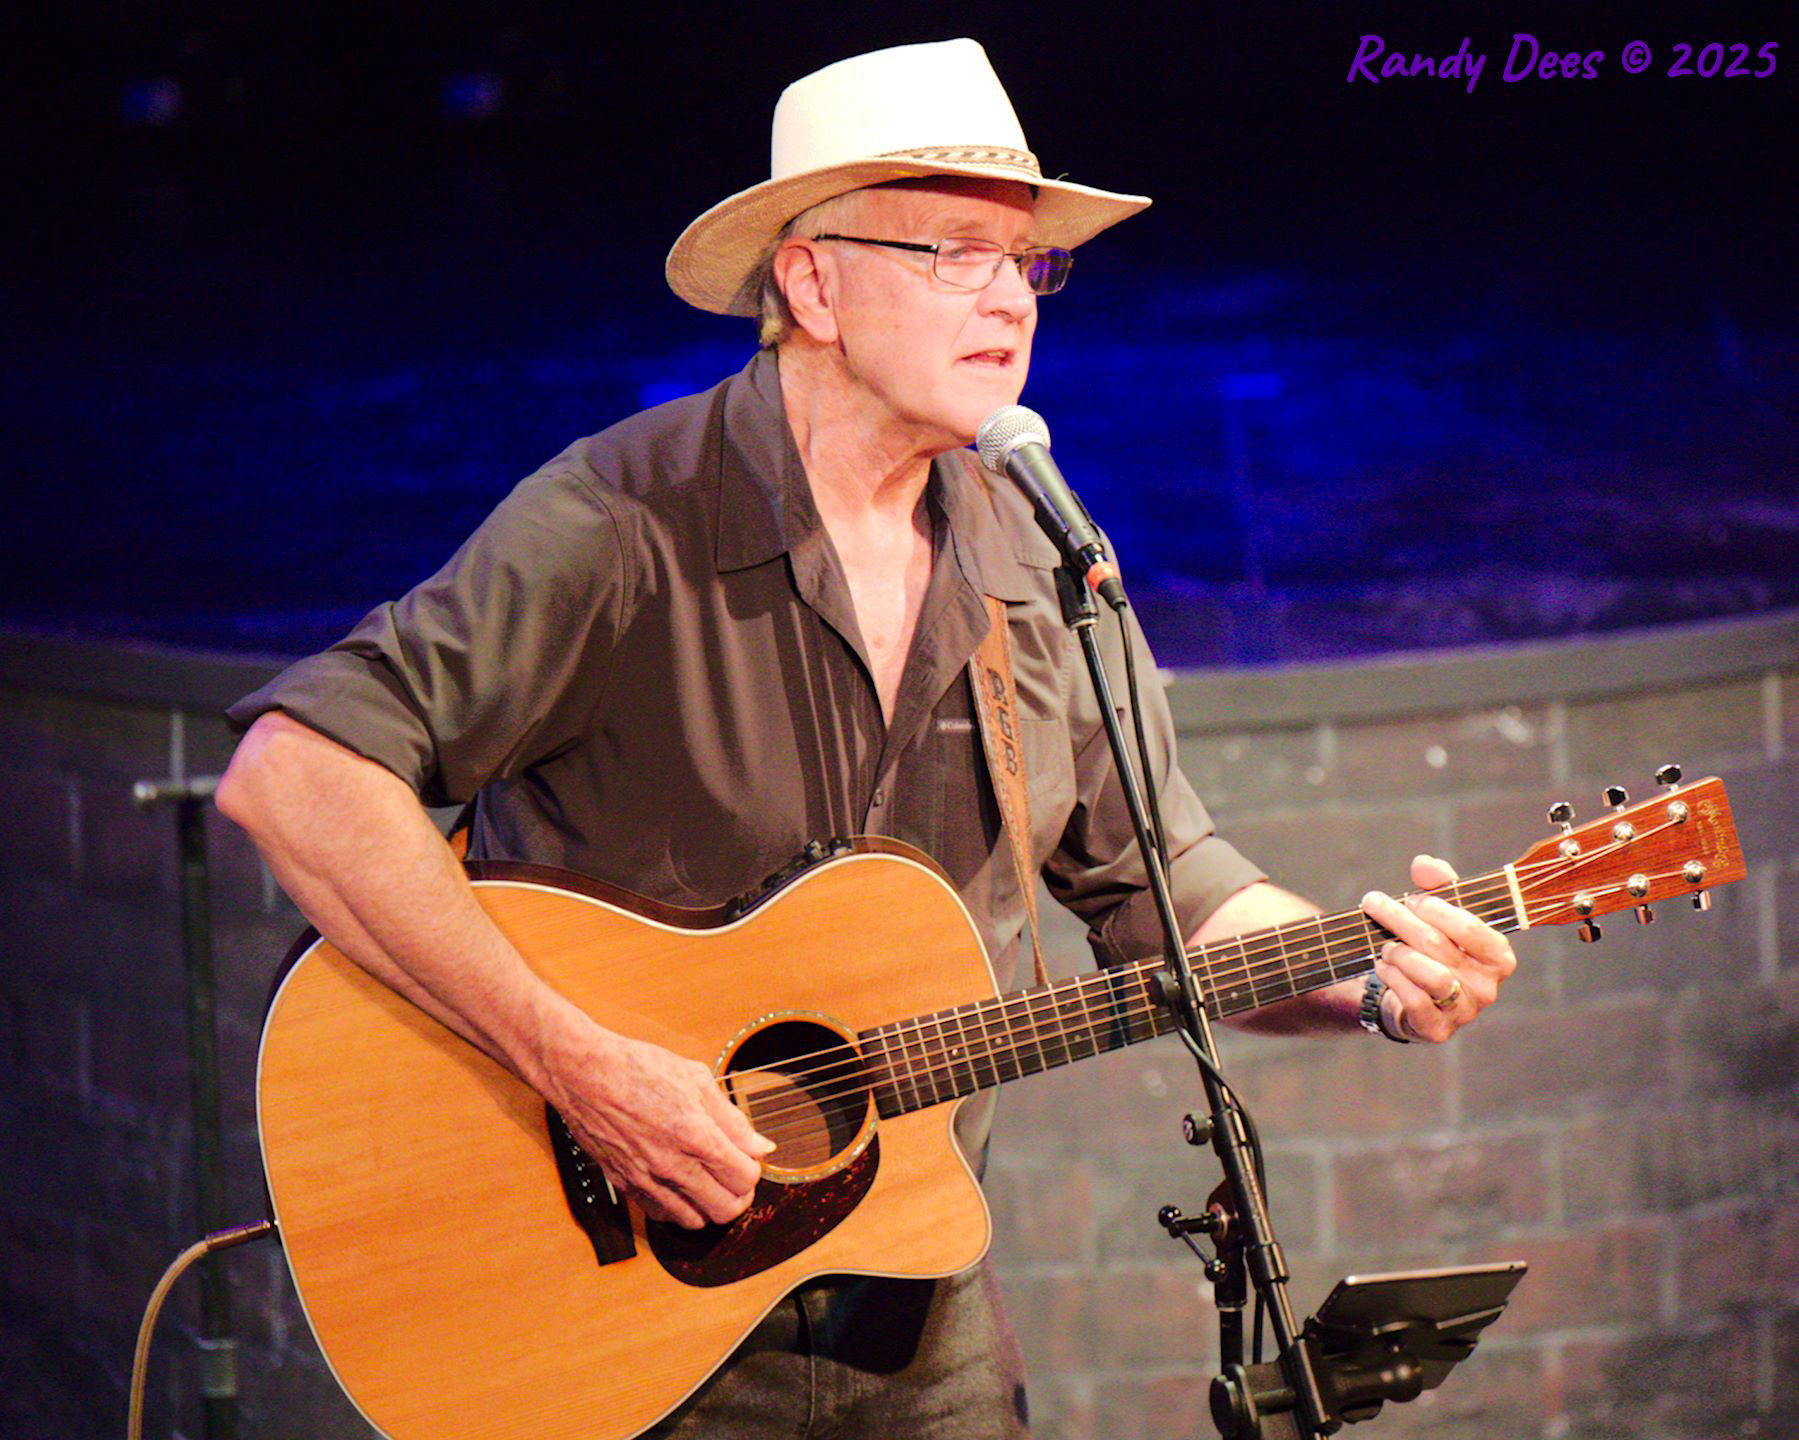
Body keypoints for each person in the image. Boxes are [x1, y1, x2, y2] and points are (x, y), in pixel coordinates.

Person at [216, 37, 1515, 1440]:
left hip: (910, 1294)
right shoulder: (624, 522)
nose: (1011, 298)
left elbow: (1172, 893)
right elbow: (296, 776)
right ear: (812, 281)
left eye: (1029, 264)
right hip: (613, 1319)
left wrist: (1365, 973)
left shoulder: (1040, 557)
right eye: (956, 251)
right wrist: (582, 1067)